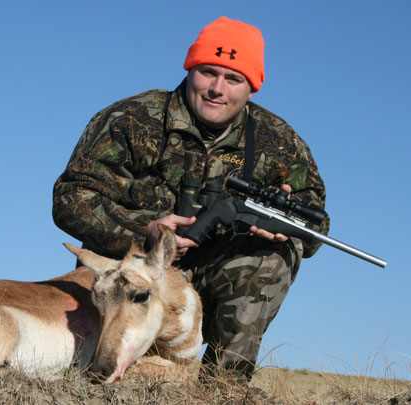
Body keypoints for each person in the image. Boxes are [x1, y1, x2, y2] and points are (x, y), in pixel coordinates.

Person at [52, 16, 330, 381]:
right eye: (207, 72)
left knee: (272, 259)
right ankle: (99, 366)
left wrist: (285, 230)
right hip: (139, 265)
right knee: (107, 360)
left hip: (221, 268)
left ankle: (224, 383)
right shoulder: (130, 118)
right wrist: (143, 231)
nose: (217, 88)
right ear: (190, 70)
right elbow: (70, 198)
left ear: (252, 88)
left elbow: (317, 223)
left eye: (233, 79)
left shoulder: (279, 141)